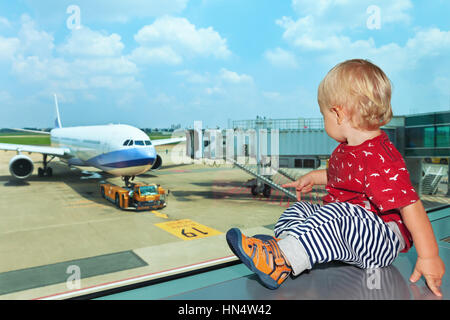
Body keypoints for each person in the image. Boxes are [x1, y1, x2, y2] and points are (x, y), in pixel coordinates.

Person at [226, 59, 445, 296]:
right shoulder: (347, 149)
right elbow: (340, 175)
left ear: (339, 114)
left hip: (379, 239)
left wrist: (429, 256)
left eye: (324, 116)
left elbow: (411, 205)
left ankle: (281, 259)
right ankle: (283, 250)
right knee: (300, 210)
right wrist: (313, 177)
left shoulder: (380, 157)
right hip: (350, 230)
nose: (324, 122)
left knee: (334, 214)